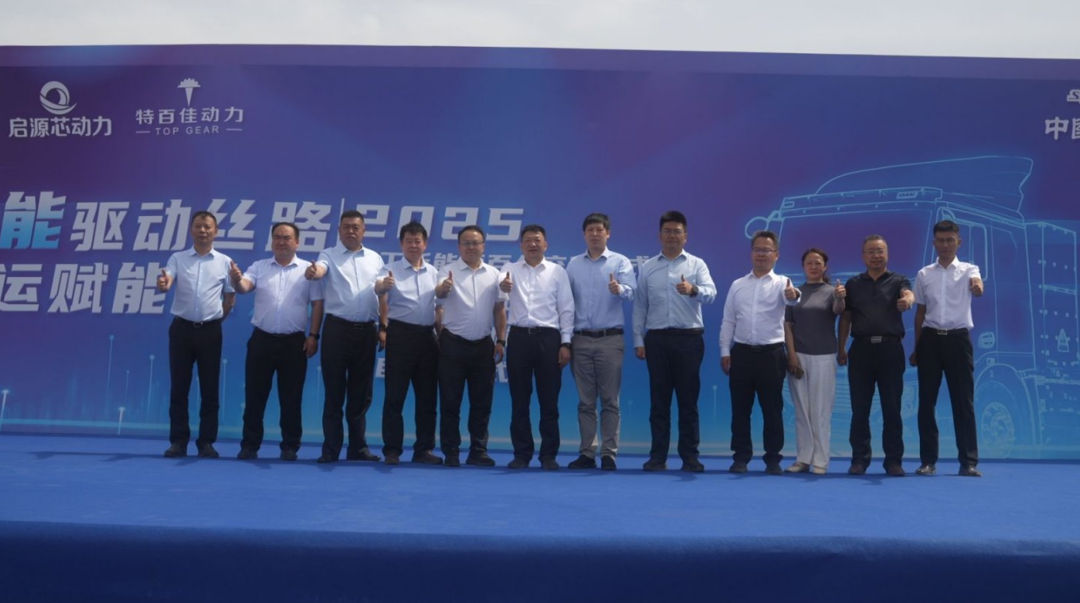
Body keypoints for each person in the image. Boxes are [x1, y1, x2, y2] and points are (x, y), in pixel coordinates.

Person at [230, 222, 323, 461]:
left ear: (297, 242)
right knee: (255, 396)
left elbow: (317, 304)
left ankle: (290, 446)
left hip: (294, 343)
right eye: (277, 237)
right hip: (262, 340)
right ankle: (250, 445)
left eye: (287, 237)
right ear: (272, 241)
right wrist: (236, 280)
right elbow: (244, 287)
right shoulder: (259, 267)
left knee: (291, 398)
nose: (282, 241)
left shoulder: (308, 270)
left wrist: (313, 335)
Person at [633, 210, 716, 472]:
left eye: (677, 231)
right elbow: (640, 305)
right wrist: (638, 340)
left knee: (688, 402)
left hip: (689, 340)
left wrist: (694, 290)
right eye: (667, 231)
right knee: (659, 402)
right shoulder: (648, 267)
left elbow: (711, 294)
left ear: (685, 236)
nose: (672, 236)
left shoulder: (697, 265)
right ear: (660, 235)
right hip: (657, 340)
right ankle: (658, 456)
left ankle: (690, 456)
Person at [719, 231, 801, 475]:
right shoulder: (737, 285)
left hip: (771, 355)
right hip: (741, 354)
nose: (761, 254)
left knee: (772, 410)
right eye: (757, 249)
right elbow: (728, 320)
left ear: (776, 255)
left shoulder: (783, 283)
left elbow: (793, 299)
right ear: (751, 253)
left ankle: (773, 459)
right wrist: (724, 350)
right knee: (740, 410)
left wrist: (794, 295)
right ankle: (740, 457)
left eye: (767, 250)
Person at [305, 210, 384, 464]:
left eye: (356, 227)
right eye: (346, 227)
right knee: (335, 391)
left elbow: (382, 292)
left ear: (364, 231)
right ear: (339, 230)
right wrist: (314, 271)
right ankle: (331, 448)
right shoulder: (328, 255)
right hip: (337, 331)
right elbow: (320, 270)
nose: (351, 231)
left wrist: (384, 326)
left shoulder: (374, 258)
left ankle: (358, 447)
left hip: (367, 332)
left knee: (362, 393)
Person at [157, 210, 236, 459]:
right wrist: (164, 284)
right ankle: (178, 442)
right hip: (181, 330)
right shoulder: (178, 258)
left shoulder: (224, 262)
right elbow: (168, 280)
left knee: (210, 389)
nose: (203, 230)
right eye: (198, 226)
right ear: (191, 230)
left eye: (207, 227)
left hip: (210, 331)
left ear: (216, 231)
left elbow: (230, 298)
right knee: (179, 388)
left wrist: (216, 320)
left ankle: (206, 443)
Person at [910, 220, 984, 477]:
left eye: (950, 240)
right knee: (926, 402)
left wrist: (978, 287)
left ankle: (968, 462)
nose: (945, 245)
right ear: (934, 243)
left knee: (963, 402)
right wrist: (917, 347)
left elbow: (978, 285)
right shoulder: (924, 274)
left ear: (958, 242)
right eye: (940, 240)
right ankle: (928, 461)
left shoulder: (969, 269)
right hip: (930, 340)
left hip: (958, 340)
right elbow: (920, 312)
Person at [838, 235, 915, 477]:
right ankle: (859, 460)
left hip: (890, 351)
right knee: (860, 409)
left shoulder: (898, 280)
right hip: (861, 350)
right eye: (870, 251)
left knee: (892, 408)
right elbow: (846, 318)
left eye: (880, 251)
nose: (876, 255)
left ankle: (893, 461)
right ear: (863, 256)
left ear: (887, 254)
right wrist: (841, 347)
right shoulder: (853, 284)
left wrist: (907, 301)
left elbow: (908, 294)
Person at [500, 224, 575, 470]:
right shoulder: (509, 269)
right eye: (528, 240)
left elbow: (566, 309)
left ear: (546, 245)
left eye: (537, 240)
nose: (533, 244)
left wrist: (566, 342)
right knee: (519, 400)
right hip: (519, 338)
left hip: (549, 339)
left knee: (549, 401)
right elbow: (500, 292)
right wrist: (503, 288)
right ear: (521, 245)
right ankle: (522, 454)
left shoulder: (557, 272)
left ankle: (548, 455)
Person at [565, 213, 635, 471]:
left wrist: (620, 289)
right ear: (584, 235)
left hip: (609, 339)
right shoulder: (573, 264)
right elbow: (565, 301)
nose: (595, 234)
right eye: (590, 230)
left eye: (599, 229)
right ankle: (587, 452)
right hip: (581, 339)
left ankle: (609, 453)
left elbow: (632, 291)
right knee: (585, 402)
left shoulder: (620, 261)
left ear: (608, 233)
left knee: (610, 400)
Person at [435, 225, 507, 468]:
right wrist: (443, 288)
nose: (471, 247)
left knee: (482, 403)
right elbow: (438, 295)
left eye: (476, 243)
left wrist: (501, 340)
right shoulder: (447, 271)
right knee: (450, 402)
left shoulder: (494, 274)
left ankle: (478, 450)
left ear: (483, 246)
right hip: (453, 345)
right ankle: (451, 451)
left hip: (483, 346)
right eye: (466, 243)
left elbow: (499, 309)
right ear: (458, 246)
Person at [374, 221, 441, 466]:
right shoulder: (389, 269)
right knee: (395, 396)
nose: (413, 245)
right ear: (401, 244)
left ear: (425, 244)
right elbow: (378, 289)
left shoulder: (434, 272)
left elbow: (439, 307)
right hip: (400, 335)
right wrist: (383, 286)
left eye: (417, 241)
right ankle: (392, 450)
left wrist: (442, 336)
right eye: (409, 241)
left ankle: (424, 449)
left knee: (427, 398)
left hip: (427, 338)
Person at [783, 248, 845, 475]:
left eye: (818, 263)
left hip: (823, 357)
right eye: (809, 262)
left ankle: (820, 460)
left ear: (825, 266)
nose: (814, 266)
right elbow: (787, 326)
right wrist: (791, 354)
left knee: (820, 410)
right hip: (798, 356)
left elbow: (839, 310)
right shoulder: (794, 293)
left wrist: (840, 297)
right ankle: (803, 458)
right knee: (802, 410)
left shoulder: (832, 291)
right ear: (803, 266)